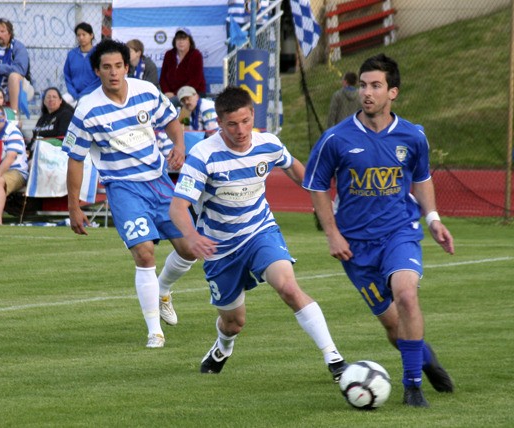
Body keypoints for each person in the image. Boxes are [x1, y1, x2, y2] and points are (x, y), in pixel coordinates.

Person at [303, 53, 455, 407]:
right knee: (392, 327)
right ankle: (425, 358)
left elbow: (421, 179)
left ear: (393, 92)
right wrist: (332, 233)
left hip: (399, 232)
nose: (367, 93)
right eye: (363, 86)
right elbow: (317, 185)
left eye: (376, 86)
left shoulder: (413, 136)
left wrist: (432, 219)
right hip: (356, 247)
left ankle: (413, 386)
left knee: (406, 295)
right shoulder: (335, 139)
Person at [169, 86, 347, 379]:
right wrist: (191, 236)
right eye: (232, 124)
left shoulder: (269, 145)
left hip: (259, 231)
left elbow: (296, 170)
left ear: (253, 114)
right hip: (219, 248)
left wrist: (324, 202)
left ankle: (335, 360)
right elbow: (178, 208)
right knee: (233, 323)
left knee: (289, 287)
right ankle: (223, 347)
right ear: (219, 122)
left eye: (246, 121)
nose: (241, 130)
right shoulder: (203, 155)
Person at [63, 39, 196, 348]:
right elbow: (75, 159)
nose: (113, 73)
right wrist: (74, 206)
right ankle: (154, 332)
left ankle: (162, 289)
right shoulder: (87, 109)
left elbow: (172, 123)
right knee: (145, 252)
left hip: (160, 182)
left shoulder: (146, 92)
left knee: (190, 248)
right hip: (123, 188)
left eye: (119, 66)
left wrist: (179, 147)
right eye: (106, 67)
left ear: (128, 67)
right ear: (96, 71)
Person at [159, 28, 206, 104]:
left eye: (184, 39)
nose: (181, 42)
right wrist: (166, 92)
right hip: (170, 94)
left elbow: (195, 81)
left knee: (168, 104)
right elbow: (163, 78)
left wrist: (175, 93)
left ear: (189, 41)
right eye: (178, 39)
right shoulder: (169, 54)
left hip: (192, 93)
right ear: (175, 41)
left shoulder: (196, 55)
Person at [62, 22, 101, 107]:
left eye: (84, 34)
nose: (81, 37)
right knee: (60, 103)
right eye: (78, 35)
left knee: (81, 105)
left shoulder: (98, 54)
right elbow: (67, 75)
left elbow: (100, 78)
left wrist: (83, 94)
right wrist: (73, 92)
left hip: (92, 93)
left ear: (91, 35)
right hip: (74, 93)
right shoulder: (72, 54)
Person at [29, 87, 74, 153]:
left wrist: (42, 143)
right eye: (48, 97)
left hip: (54, 153)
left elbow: (62, 138)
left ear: (60, 101)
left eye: (54, 97)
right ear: (44, 101)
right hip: (36, 152)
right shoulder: (42, 119)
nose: (51, 99)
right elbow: (34, 138)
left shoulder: (66, 115)